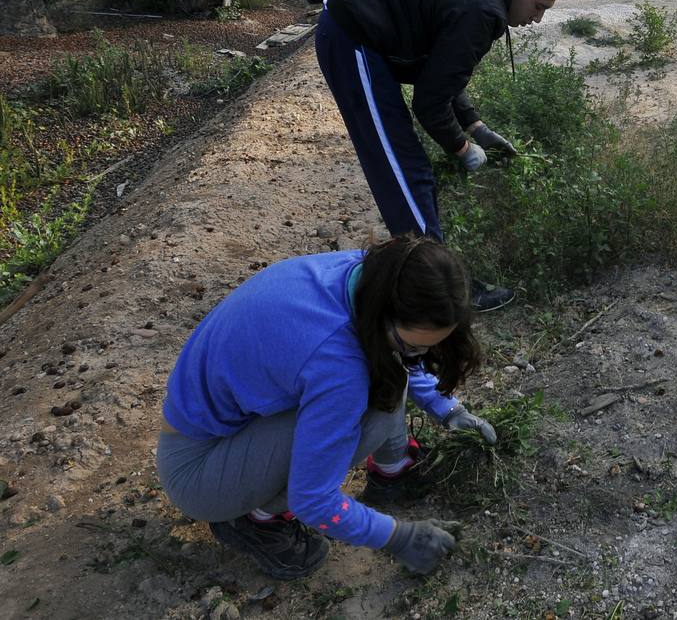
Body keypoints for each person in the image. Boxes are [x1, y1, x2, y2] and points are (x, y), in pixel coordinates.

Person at [156, 235, 497, 581]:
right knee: (376, 393)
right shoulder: (337, 365)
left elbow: (404, 352)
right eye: (412, 345)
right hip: (198, 473)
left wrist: (450, 411)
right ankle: (255, 517)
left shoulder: (372, 276)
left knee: (386, 370)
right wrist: (399, 536)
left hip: (224, 431)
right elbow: (313, 501)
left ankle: (394, 467)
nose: (418, 358)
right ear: (386, 313)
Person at [316, 0, 564, 311]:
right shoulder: (482, 9)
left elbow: (441, 71)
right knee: (403, 170)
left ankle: (432, 272)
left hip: (367, 37)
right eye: (538, 6)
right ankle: (440, 291)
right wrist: (463, 150)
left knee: (414, 172)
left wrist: (475, 126)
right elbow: (429, 103)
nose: (538, 19)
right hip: (353, 39)